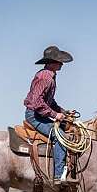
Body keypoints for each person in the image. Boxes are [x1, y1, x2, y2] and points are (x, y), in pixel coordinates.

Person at [24, 45, 73, 183]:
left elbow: (49, 101)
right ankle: (58, 176)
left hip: (40, 114)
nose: (62, 64)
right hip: (35, 115)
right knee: (60, 137)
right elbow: (37, 102)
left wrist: (63, 112)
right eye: (59, 61)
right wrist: (55, 115)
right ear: (52, 62)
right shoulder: (45, 77)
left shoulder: (49, 75)